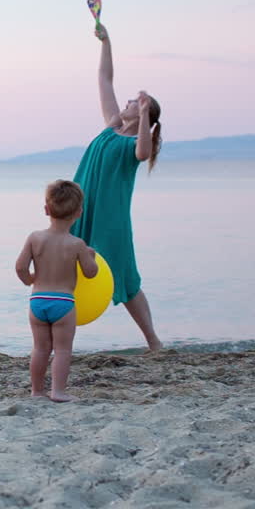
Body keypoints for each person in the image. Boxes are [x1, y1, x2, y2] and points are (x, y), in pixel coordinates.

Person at [71, 22, 165, 353]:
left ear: (143, 116)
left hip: (111, 220)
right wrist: (106, 42)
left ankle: (154, 342)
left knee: (125, 279)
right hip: (81, 211)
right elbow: (105, 79)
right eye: (130, 101)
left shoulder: (135, 143)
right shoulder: (111, 126)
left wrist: (144, 115)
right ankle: (60, 341)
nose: (126, 103)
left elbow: (142, 153)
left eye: (134, 103)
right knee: (68, 271)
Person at [15, 180, 98, 402]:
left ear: (46, 209)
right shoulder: (77, 244)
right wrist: (91, 257)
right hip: (63, 302)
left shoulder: (34, 238)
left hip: (38, 300)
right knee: (62, 350)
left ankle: (36, 391)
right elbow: (90, 273)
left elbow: (20, 267)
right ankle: (58, 391)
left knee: (40, 348)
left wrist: (30, 280)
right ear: (79, 213)